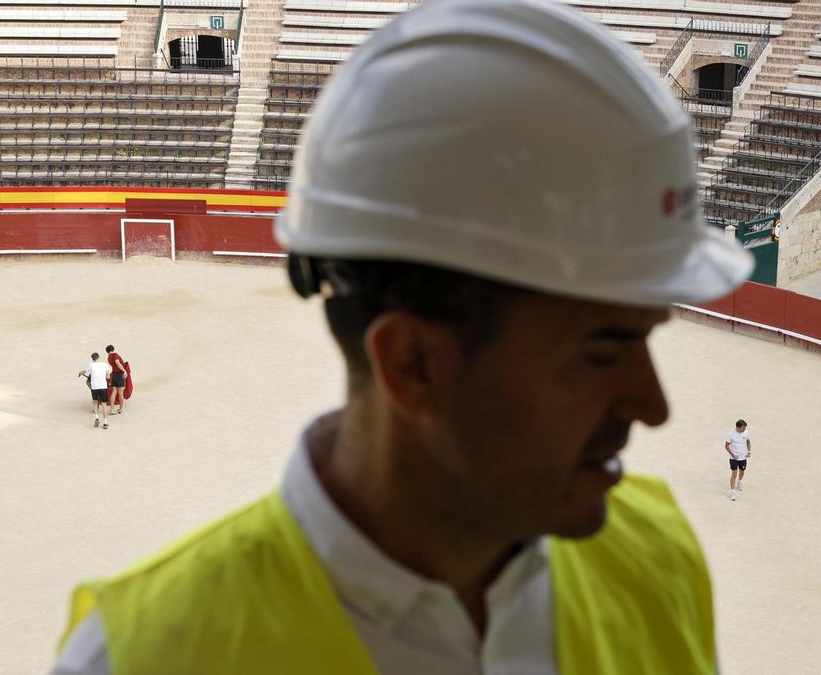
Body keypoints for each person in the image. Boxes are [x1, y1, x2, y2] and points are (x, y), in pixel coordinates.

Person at [51, 1, 752, 673]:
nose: (653, 404)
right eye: (601, 351)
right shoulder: (143, 659)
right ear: (413, 364)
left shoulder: (661, 552)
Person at [78, 353, 110, 430]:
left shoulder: (91, 365)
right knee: (104, 404)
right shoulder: (104, 365)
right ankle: (105, 423)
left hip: (94, 387)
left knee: (95, 402)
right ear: (99, 357)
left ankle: (96, 418)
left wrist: (80, 372)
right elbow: (108, 376)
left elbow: (84, 371)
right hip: (103, 387)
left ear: (92, 359)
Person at [725, 420, 751, 501]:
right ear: (738, 427)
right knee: (734, 474)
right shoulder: (731, 434)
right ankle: (732, 492)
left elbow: (748, 441)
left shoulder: (746, 432)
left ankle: (739, 482)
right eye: (743, 427)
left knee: (742, 471)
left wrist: (749, 451)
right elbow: (726, 446)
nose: (745, 429)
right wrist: (733, 454)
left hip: (743, 457)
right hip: (734, 458)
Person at [104, 345, 127, 415]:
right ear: (113, 349)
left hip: (114, 374)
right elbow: (117, 362)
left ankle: (112, 409)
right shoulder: (115, 355)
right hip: (120, 374)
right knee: (120, 392)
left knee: (114, 391)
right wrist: (124, 371)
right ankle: (120, 409)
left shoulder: (109, 357)